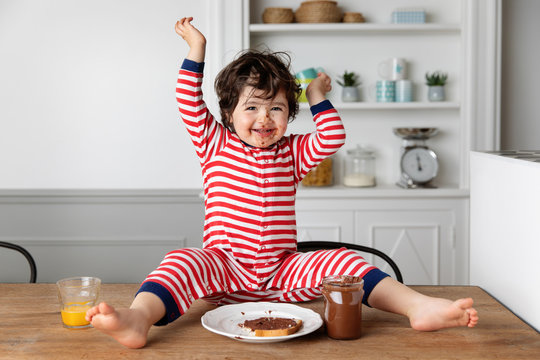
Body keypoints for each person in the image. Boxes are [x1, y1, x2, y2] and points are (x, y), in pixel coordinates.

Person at [86, 17, 478, 349]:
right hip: (225, 269)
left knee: (344, 262)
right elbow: (187, 97)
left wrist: (316, 95)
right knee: (182, 260)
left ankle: (417, 307)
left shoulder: (291, 151)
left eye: (277, 108)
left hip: (282, 271)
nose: (265, 118)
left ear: (290, 115)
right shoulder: (213, 142)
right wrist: (197, 46)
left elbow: (332, 137)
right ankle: (138, 319)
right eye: (252, 107)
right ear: (228, 113)